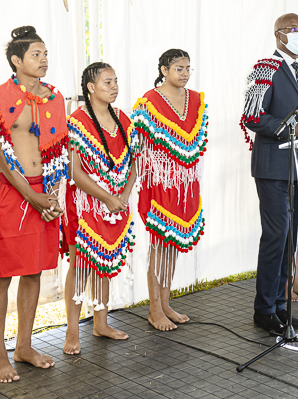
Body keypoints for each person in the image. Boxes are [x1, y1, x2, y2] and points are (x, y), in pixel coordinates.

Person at [0, 26, 68, 382]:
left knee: (34, 271)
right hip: (10, 193)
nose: (44, 60)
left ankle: (24, 346)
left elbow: (59, 149)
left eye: (45, 53)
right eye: (36, 54)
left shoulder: (55, 97)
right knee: (2, 275)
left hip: (44, 191)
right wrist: (33, 197)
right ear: (16, 61)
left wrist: (53, 196)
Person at [241, 13, 298, 336]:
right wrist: (290, 127)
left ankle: (281, 306)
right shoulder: (265, 69)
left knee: (291, 238)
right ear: (279, 35)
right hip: (274, 167)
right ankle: (264, 310)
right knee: (276, 235)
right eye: (294, 29)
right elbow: (252, 116)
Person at [131, 49, 208, 331]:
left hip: (186, 185)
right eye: (178, 68)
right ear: (164, 70)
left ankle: (165, 303)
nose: (185, 73)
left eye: (188, 68)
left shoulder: (196, 100)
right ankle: (154, 309)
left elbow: (198, 141)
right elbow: (137, 147)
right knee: (160, 245)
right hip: (160, 183)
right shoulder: (149, 102)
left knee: (173, 244)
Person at [62, 62, 136, 354]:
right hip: (85, 205)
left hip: (116, 203)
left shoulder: (122, 118)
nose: (114, 87)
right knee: (81, 265)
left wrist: (123, 196)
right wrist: (106, 197)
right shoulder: (76, 122)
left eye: (116, 81)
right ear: (91, 87)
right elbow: (75, 172)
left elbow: (134, 162)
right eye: (107, 82)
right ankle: (72, 330)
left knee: (105, 261)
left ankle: (101, 323)